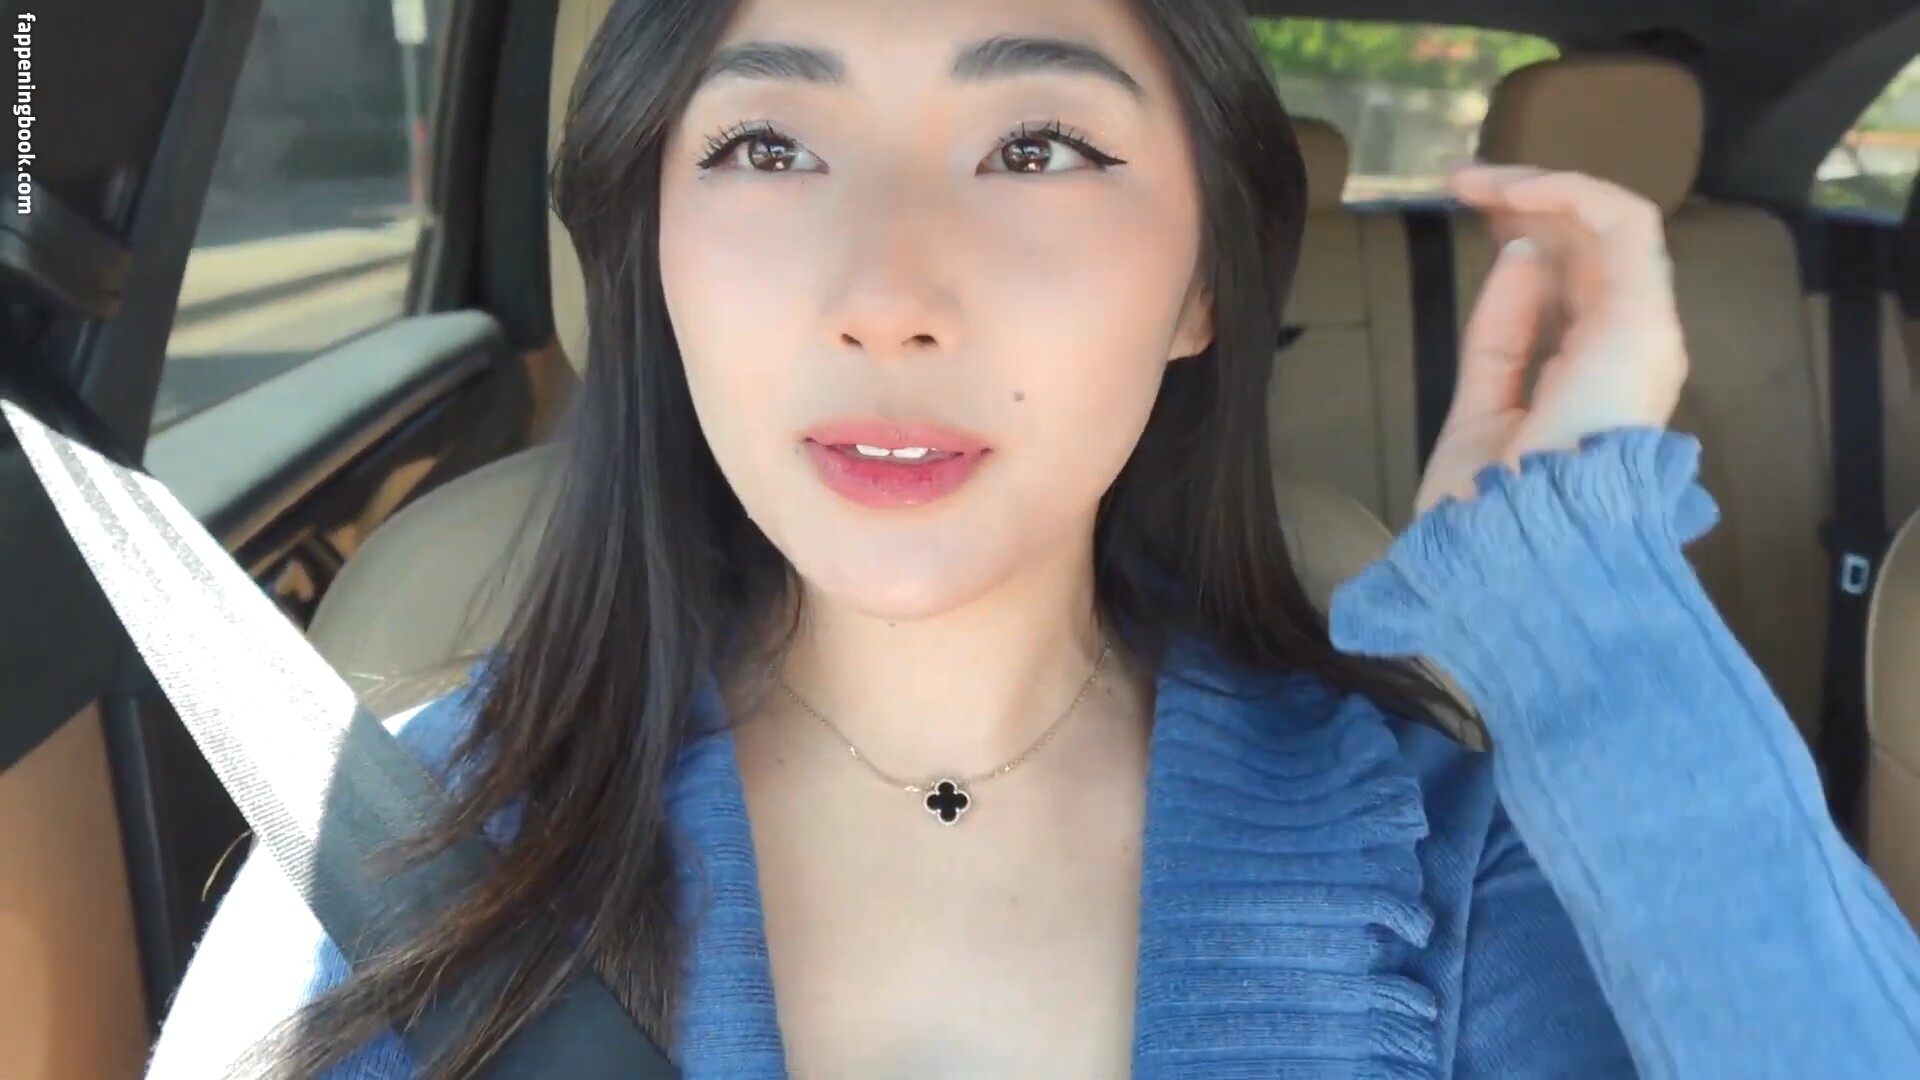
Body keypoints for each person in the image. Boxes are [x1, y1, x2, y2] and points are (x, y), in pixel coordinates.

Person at [149, 0, 1920, 1075]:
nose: (891, 292)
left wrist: (1580, 604)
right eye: (767, 146)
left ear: (1204, 283)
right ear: (651, 258)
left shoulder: (1455, 858)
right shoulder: (397, 857)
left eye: (1042, 147)